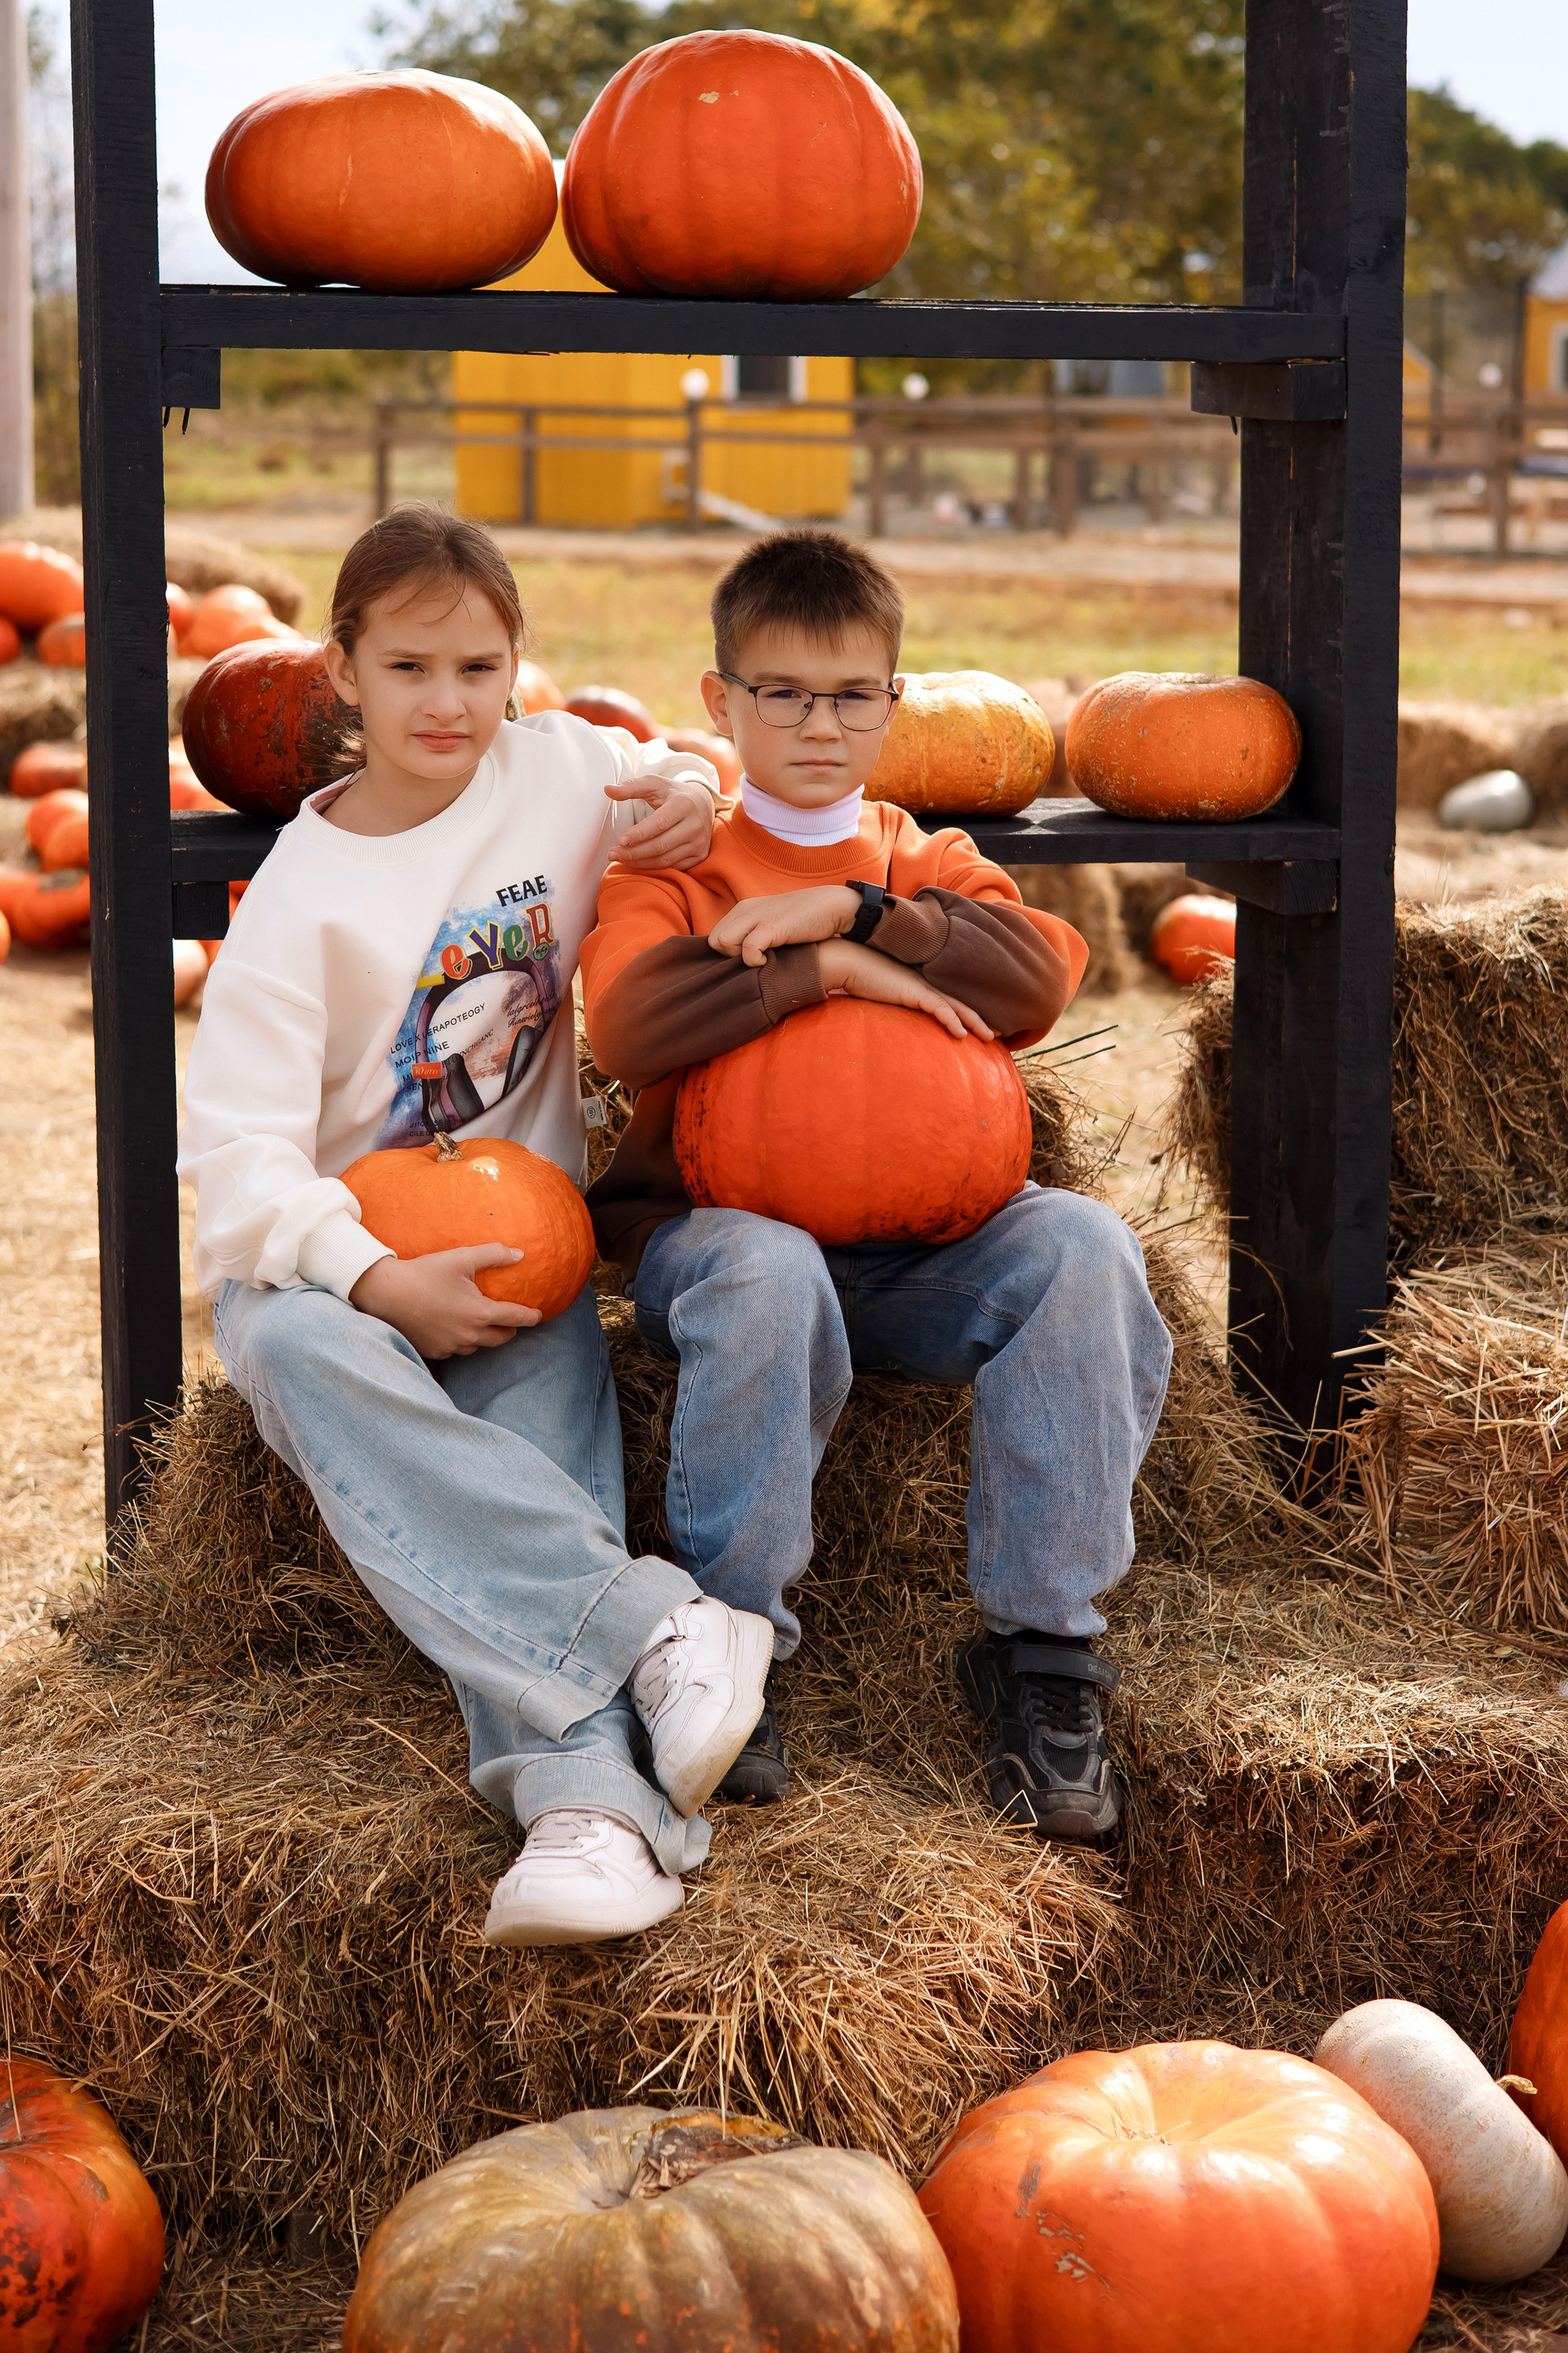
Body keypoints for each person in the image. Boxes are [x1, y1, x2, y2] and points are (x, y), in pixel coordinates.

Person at [179, 503, 774, 1949]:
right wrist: (374, 1276)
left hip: (522, 1246)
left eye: (478, 667)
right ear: (342, 673)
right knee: (298, 1354)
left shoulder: (559, 775)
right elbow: (236, 1154)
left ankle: (587, 1817)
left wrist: (689, 792)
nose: (447, 703)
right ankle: (660, 1632)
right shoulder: (300, 900)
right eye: (409, 669)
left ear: (518, 666)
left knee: (534, 1443)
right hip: (340, 1264)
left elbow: (660, 782)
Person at [581, 531, 1173, 1840]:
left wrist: (857, 910)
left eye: (851, 693)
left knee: (1079, 1246)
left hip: (926, 1252)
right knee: (769, 1265)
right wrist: (827, 975)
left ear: (892, 704)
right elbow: (630, 1024)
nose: (815, 721)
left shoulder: (921, 853)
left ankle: (1044, 1654)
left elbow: (1035, 978)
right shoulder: (676, 865)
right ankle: (727, 1649)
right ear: (718, 702)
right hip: (717, 1238)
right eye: (781, 691)